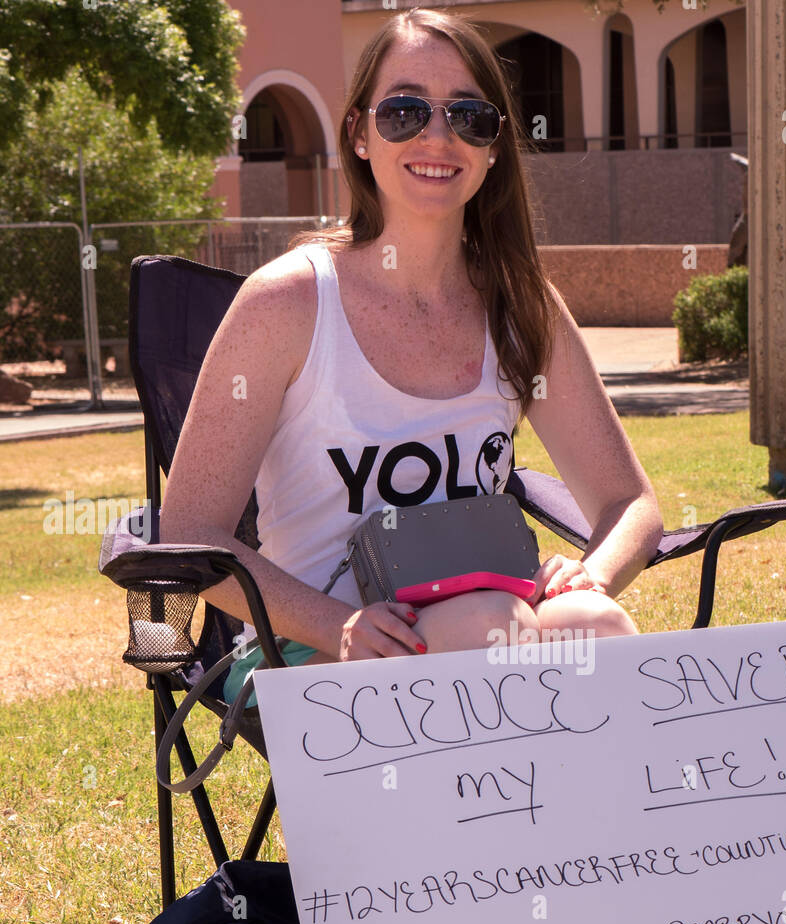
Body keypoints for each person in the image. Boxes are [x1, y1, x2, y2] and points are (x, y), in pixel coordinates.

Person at [160, 8, 663, 707]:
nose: (438, 135)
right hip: (312, 651)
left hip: (498, 627)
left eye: (469, 117)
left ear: (494, 149)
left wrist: (594, 573)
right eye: (404, 111)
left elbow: (629, 502)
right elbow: (187, 536)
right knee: (486, 624)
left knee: (594, 622)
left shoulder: (521, 307)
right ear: (359, 135)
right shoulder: (288, 304)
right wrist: (342, 626)